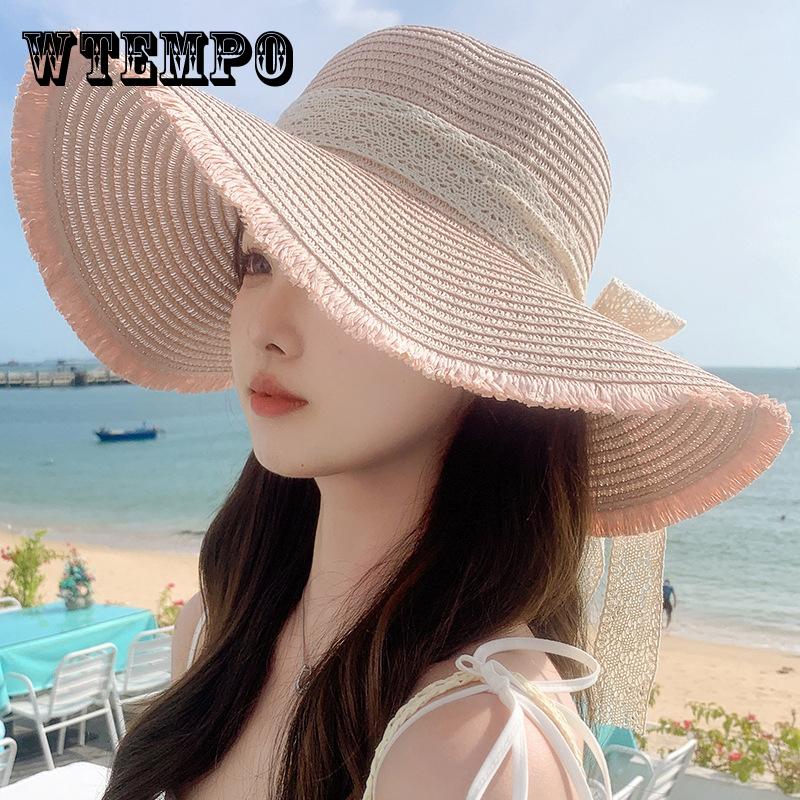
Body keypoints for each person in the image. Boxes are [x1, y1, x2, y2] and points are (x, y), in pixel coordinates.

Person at [10, 23, 792, 800]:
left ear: (494, 343)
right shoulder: (216, 631)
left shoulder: (468, 746)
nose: (267, 329)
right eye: (258, 258)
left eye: (343, 273)